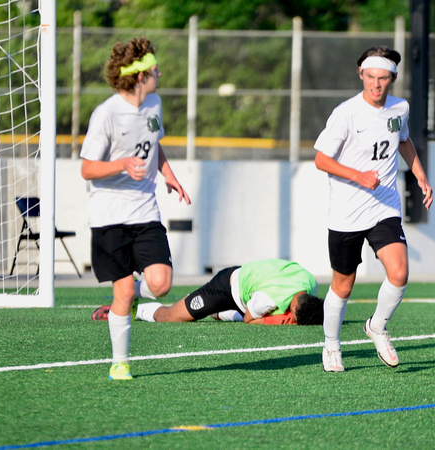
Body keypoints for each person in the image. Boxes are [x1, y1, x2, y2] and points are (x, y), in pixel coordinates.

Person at [313, 46, 433, 372]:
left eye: (382, 78)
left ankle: (377, 326)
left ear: (392, 78)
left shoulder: (400, 108)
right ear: (361, 74)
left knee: (399, 272)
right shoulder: (346, 113)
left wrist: (420, 176)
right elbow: (321, 159)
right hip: (346, 213)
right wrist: (358, 176)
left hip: (384, 207)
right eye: (370, 77)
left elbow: (404, 140)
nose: (375, 85)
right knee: (343, 286)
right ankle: (332, 346)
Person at [80, 36, 191, 380]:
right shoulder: (106, 115)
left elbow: (154, 145)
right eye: (154, 67)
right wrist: (122, 164)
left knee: (161, 284)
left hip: (145, 211)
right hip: (109, 215)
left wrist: (169, 175)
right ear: (140, 75)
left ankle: (129, 298)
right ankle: (120, 361)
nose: (159, 71)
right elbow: (87, 168)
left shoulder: (154, 104)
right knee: (124, 291)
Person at [91, 259, 324, 325]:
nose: (291, 321)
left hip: (244, 284)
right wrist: (278, 321)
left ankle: (218, 314)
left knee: (212, 311)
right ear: (293, 307)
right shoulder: (269, 299)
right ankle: (130, 306)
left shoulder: (309, 281)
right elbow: (249, 319)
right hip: (225, 288)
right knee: (172, 315)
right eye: (294, 318)